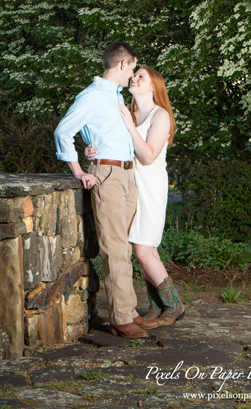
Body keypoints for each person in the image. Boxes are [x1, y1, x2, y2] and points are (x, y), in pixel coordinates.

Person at [54, 41, 159, 339]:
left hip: (127, 175)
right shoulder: (90, 97)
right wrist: (78, 170)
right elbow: (63, 131)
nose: (133, 76)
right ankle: (121, 319)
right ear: (123, 64)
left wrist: (90, 148)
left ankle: (127, 312)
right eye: (133, 68)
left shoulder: (115, 97)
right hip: (108, 174)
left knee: (122, 247)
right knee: (114, 248)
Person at [86, 65, 184, 326]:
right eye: (134, 74)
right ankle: (156, 305)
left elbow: (149, 156)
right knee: (137, 247)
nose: (134, 78)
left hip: (149, 185)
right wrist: (92, 150)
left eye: (141, 76)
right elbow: (110, 142)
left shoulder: (159, 115)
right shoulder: (126, 111)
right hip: (126, 183)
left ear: (153, 86)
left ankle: (174, 304)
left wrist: (129, 125)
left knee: (143, 249)